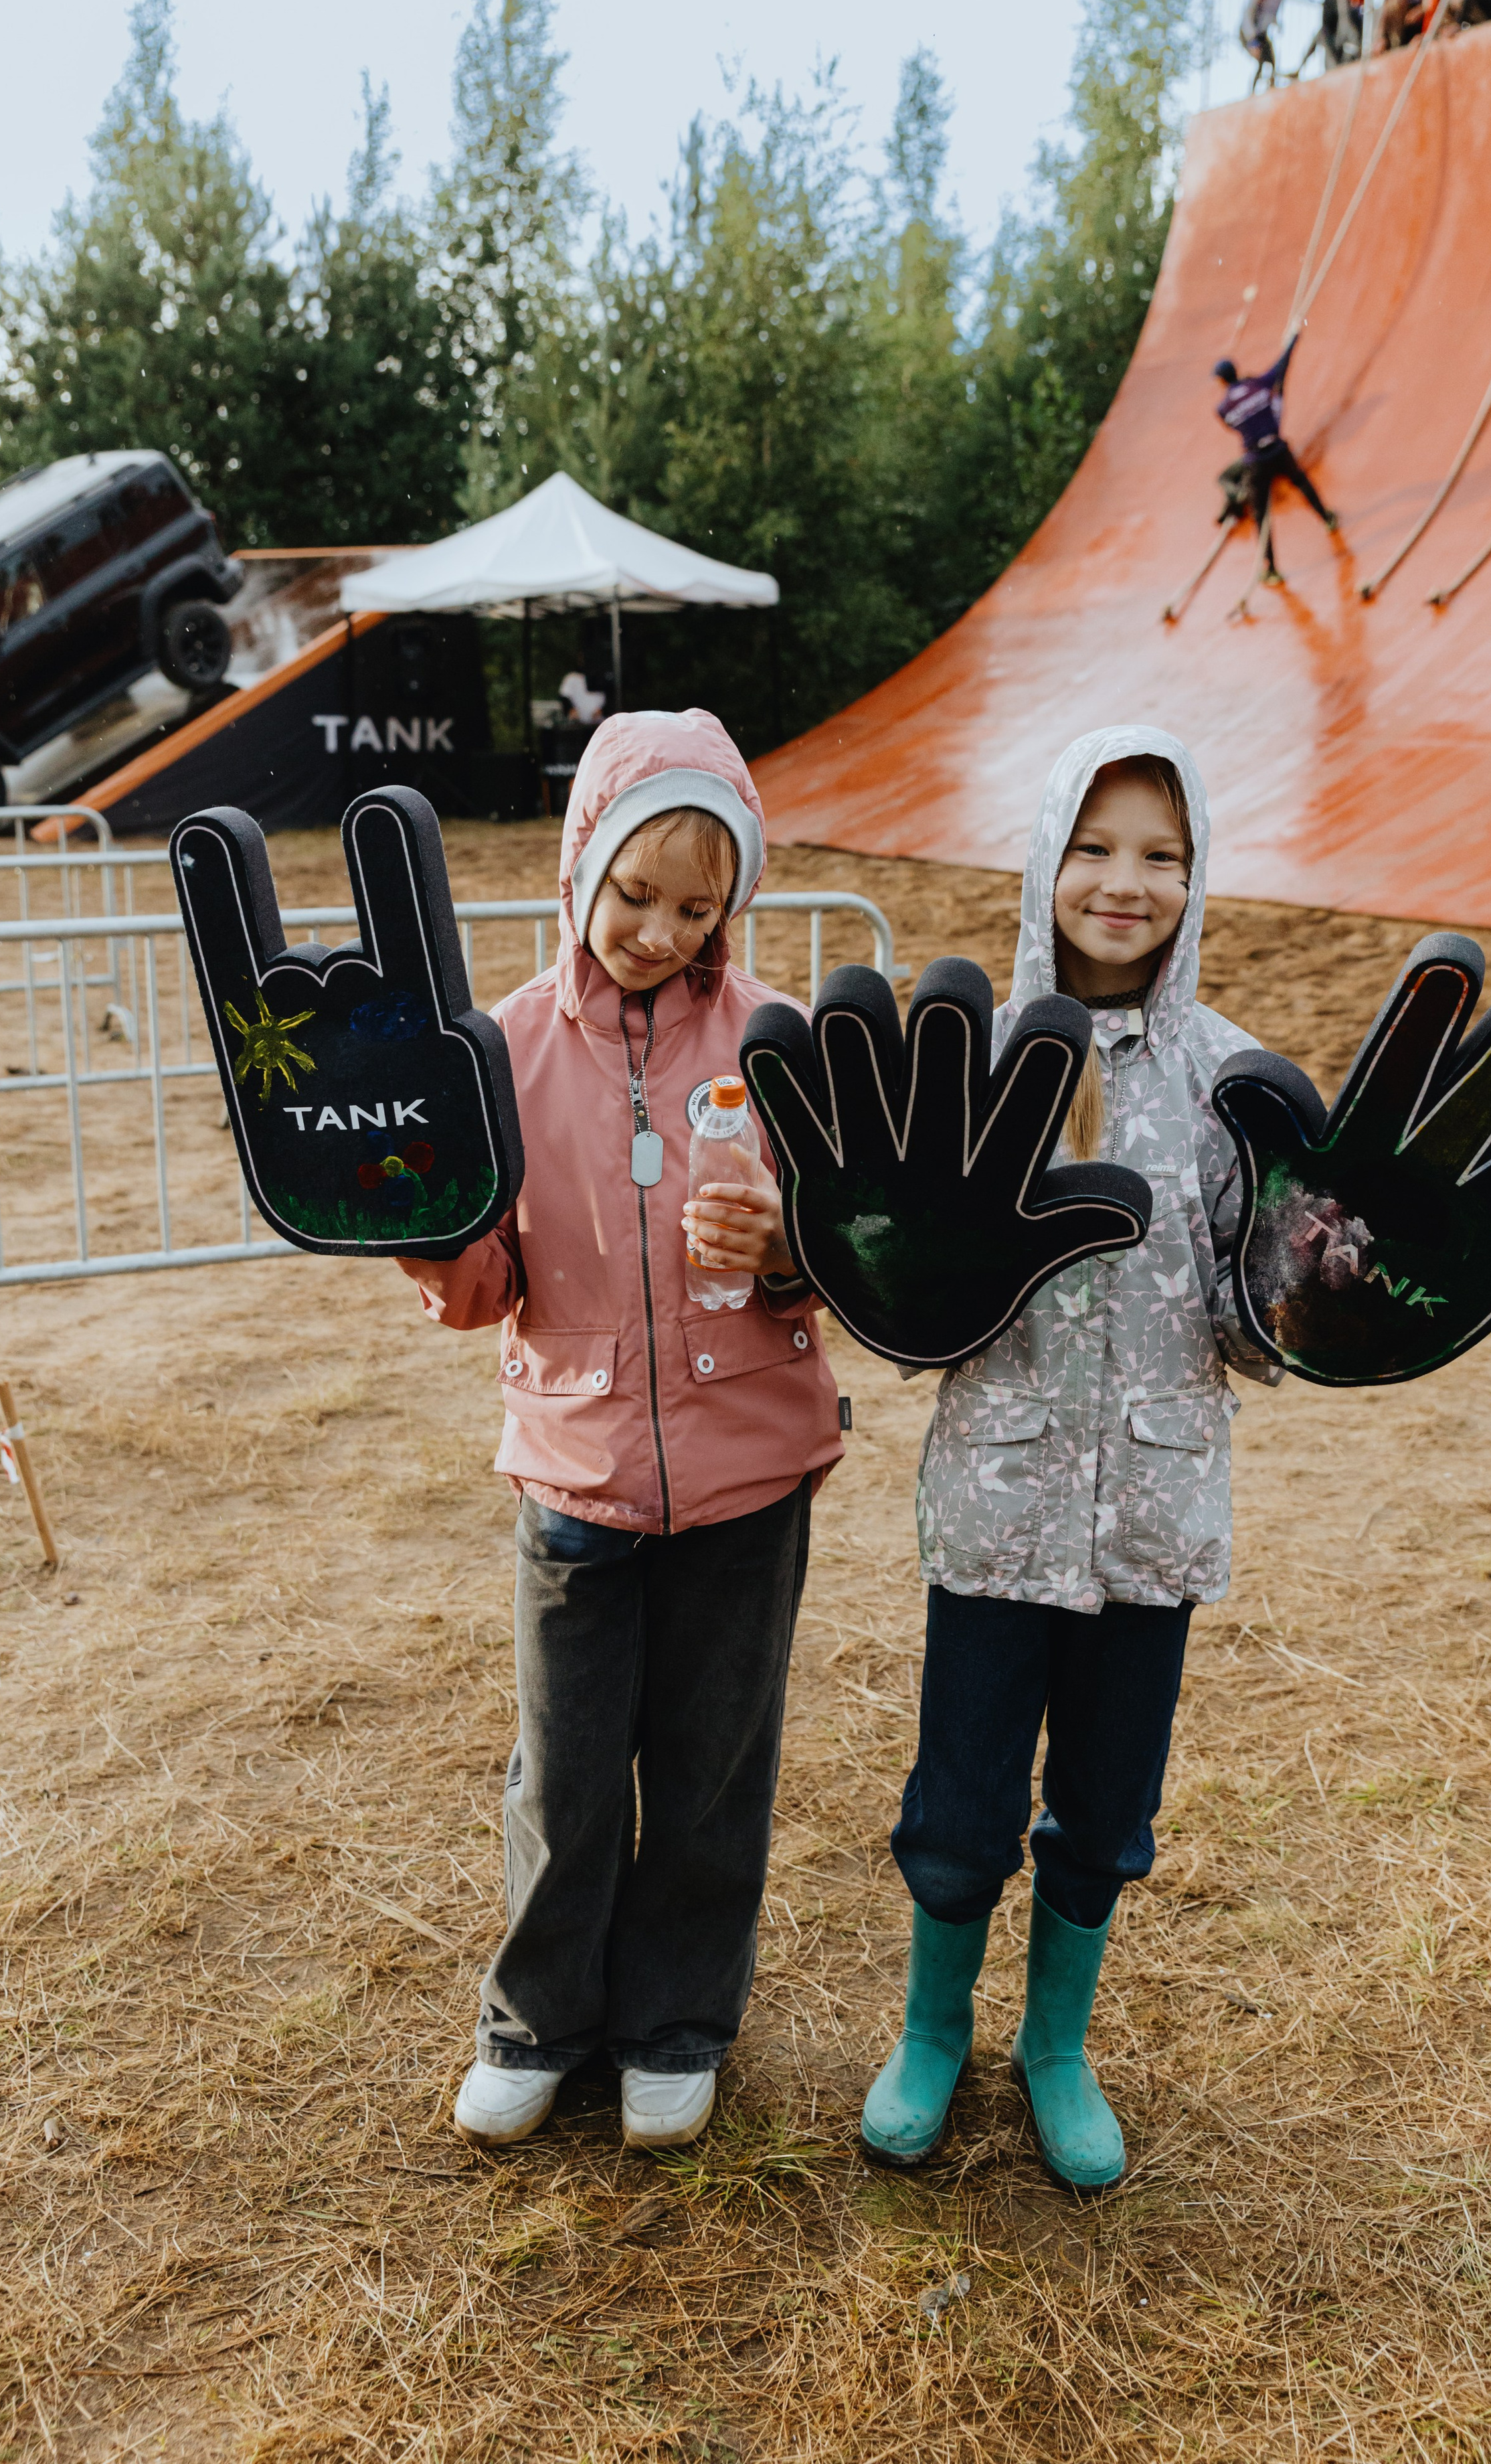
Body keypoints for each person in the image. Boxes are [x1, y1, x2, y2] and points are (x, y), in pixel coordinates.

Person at [399, 708, 844, 2153]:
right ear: (582, 865)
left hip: (750, 1469)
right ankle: (537, 2022)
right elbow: (483, 1288)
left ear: (734, 905)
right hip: (575, 1471)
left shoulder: (781, 1041)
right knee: (567, 1766)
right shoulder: (502, 1048)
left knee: (712, 1764)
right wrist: (422, 1227)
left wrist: (788, 1249)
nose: (660, 933)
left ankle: (676, 2024)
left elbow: (850, 1251)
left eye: (697, 908)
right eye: (636, 894)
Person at [858, 729, 1282, 2186]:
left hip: (1153, 1514)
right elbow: (909, 1303)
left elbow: (1252, 1314)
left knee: (1104, 1811)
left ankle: (1055, 2047)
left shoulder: (1228, 1079)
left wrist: (1330, 1290)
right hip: (1000, 1502)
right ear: (1045, 861)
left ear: (1196, 877)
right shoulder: (974, 1060)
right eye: (1094, 847)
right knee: (960, 1807)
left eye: (1160, 854)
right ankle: (932, 2033)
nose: (1124, 882)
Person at [1211, 339, 1338, 584]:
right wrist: (1293, 340)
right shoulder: (1258, 384)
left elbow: (1233, 426)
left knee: (1261, 513)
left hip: (1255, 459)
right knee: (1301, 481)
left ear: (1221, 381)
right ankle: (1328, 519)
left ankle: (1271, 569)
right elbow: (1281, 367)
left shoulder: (1223, 408)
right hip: (1278, 450)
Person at [1240, 0, 1288, 90]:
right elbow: (1249, 12)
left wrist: (1276, 24)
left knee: (1271, 62)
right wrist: (1252, 39)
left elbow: (1271, 14)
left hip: (1262, 33)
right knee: (1261, 61)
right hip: (1249, 32)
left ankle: (1271, 89)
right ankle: (1253, 94)